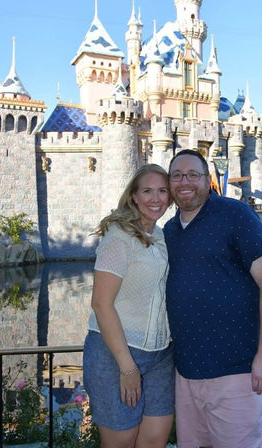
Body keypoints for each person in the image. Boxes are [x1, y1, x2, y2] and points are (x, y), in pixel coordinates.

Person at [163, 149, 262, 448]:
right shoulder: (169, 230)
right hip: (186, 373)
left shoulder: (235, 214)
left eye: (193, 174)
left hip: (236, 374)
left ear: (207, 179)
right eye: (177, 175)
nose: (184, 181)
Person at [83, 164, 174, 448]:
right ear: (134, 196)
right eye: (147, 191)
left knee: (155, 440)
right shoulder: (119, 237)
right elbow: (101, 303)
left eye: (162, 191)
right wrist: (128, 368)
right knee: (120, 443)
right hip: (116, 355)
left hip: (161, 354)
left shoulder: (161, 235)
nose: (156, 198)